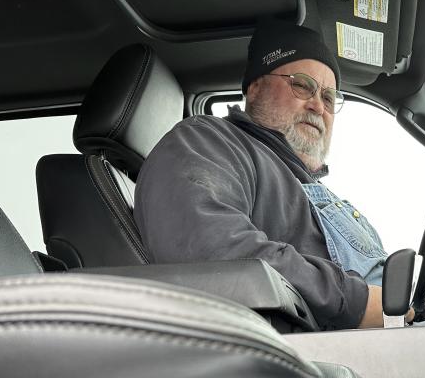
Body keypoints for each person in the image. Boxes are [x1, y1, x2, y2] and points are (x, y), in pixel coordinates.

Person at [134, 20, 390, 329]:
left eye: (328, 98)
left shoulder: (315, 191)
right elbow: (213, 252)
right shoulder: (209, 142)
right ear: (255, 88)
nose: (317, 106)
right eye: (302, 85)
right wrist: (356, 301)